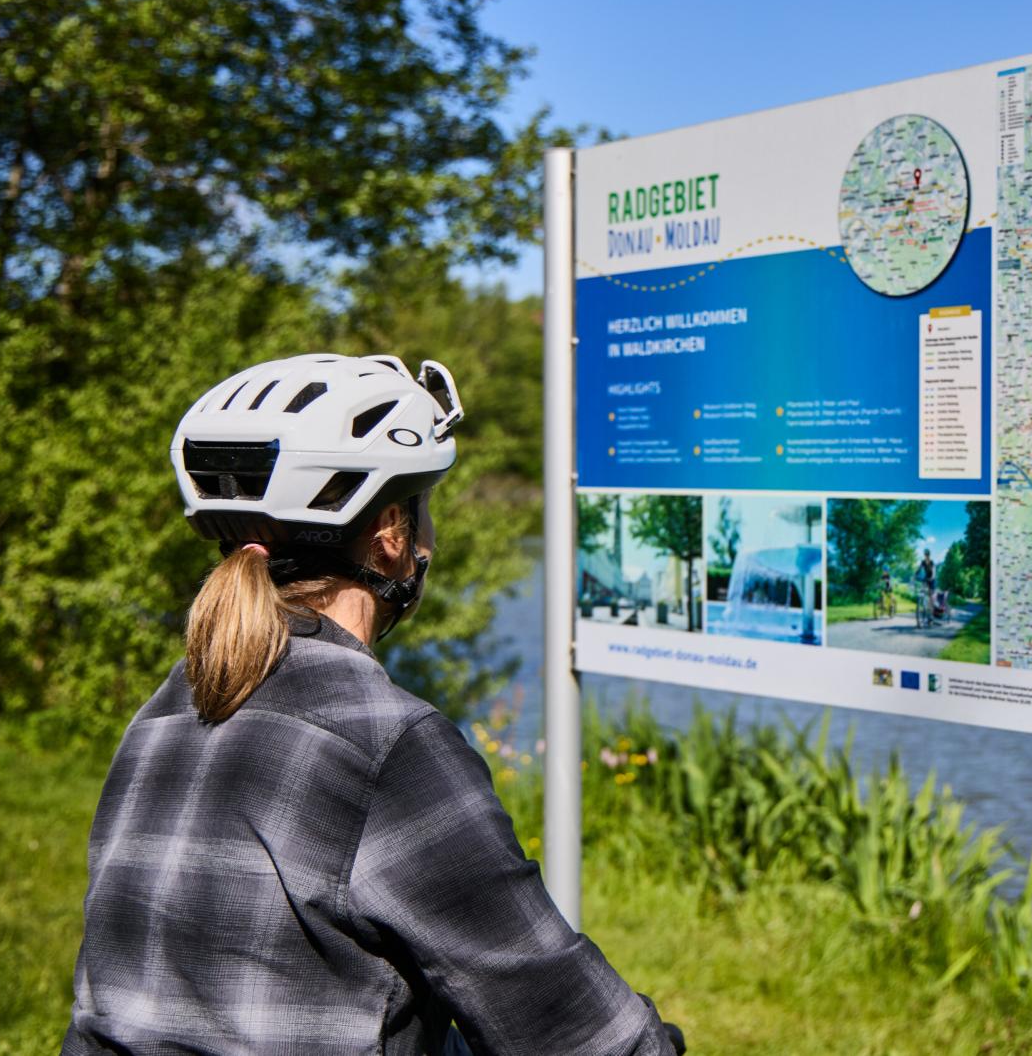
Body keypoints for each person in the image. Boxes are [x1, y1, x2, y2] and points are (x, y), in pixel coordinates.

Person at [63, 354, 683, 1055]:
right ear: (391, 531)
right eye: (424, 513)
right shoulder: (388, 742)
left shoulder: (164, 714)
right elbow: (570, 1027)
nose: (429, 539)